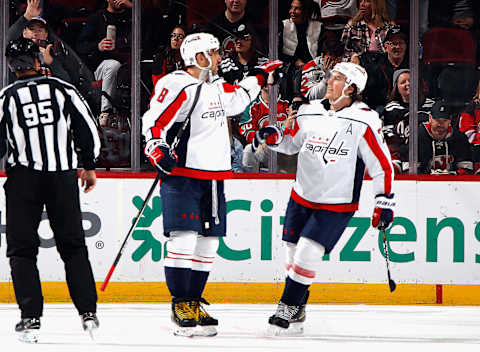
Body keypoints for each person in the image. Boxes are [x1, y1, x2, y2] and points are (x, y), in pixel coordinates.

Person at [141, 32, 282, 337]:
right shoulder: (177, 83)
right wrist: (155, 147)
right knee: (183, 238)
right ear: (200, 58)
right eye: (215, 53)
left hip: (215, 176)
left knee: (208, 242)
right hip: (183, 175)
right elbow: (154, 119)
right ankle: (180, 303)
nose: (220, 58)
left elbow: (237, 101)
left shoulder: (214, 85)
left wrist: (258, 76)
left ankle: (193, 302)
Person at [253, 62, 395, 334]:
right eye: (331, 77)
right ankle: (299, 308)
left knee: (309, 251)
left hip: (336, 203)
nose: (330, 82)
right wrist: (273, 139)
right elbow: (291, 144)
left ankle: (287, 306)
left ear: (352, 89)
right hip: (302, 195)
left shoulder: (364, 119)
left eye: (338, 79)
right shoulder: (309, 111)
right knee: (293, 255)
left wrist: (384, 200)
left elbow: (382, 165)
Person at [0, 37, 101, 343]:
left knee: (22, 250)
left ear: (9, 66)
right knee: (73, 247)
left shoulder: (6, 97)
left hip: (22, 180)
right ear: (36, 62)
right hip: (60, 177)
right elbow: (88, 131)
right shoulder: (62, 89)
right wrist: (88, 164)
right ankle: (88, 313)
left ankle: (31, 317)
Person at [77, 0, 133, 125]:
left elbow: (153, 26)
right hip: (100, 67)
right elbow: (80, 46)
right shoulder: (97, 18)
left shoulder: (133, 16)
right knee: (113, 65)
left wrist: (133, 8)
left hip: (129, 65)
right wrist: (98, 46)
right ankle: (105, 113)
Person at [382, 69, 435, 173]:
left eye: (411, 80)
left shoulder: (431, 105)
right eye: (403, 82)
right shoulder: (391, 108)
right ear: (396, 87)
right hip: (400, 153)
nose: (408, 84)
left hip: (428, 152)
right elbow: (387, 134)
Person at [418, 100, 473, 174]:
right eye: (437, 120)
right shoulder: (418, 136)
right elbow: (410, 171)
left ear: (450, 120)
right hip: (423, 183)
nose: (440, 124)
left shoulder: (459, 138)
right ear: (430, 118)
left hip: (453, 184)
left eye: (445, 120)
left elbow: (466, 169)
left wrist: (453, 176)